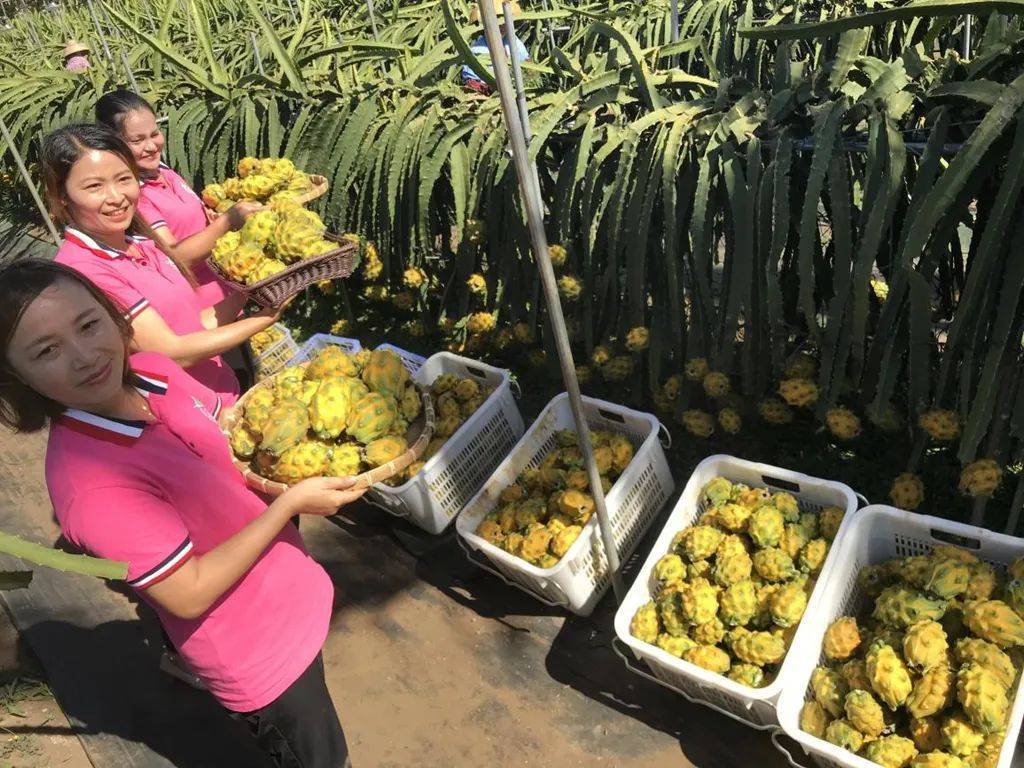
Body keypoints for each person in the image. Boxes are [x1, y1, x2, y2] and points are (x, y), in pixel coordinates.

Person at [0, 259, 360, 768]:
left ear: (110, 313)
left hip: (288, 595)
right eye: (47, 351)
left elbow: (226, 425)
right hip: (257, 653)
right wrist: (289, 505)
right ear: (16, 377)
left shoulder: (151, 373)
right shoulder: (92, 484)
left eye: (88, 324)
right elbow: (186, 593)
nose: (84, 357)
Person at [40, 123, 277, 405]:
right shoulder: (85, 271)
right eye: (94, 186)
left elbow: (192, 324)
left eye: (123, 179)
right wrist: (263, 319)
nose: (116, 197)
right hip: (189, 421)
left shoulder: (140, 243)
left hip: (224, 396)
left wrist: (256, 294)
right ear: (62, 195)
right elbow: (172, 352)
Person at [95, 90, 259, 308]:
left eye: (154, 134)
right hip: (207, 309)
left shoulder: (162, 170)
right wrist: (226, 222)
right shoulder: (134, 196)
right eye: (137, 140)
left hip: (232, 287)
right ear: (113, 144)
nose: (152, 146)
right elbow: (175, 256)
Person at [461, 0, 529, 95]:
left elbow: (528, 64)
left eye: (504, 20)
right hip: (488, 97)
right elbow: (471, 83)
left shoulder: (513, 41)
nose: (500, 25)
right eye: (495, 20)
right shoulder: (476, 50)